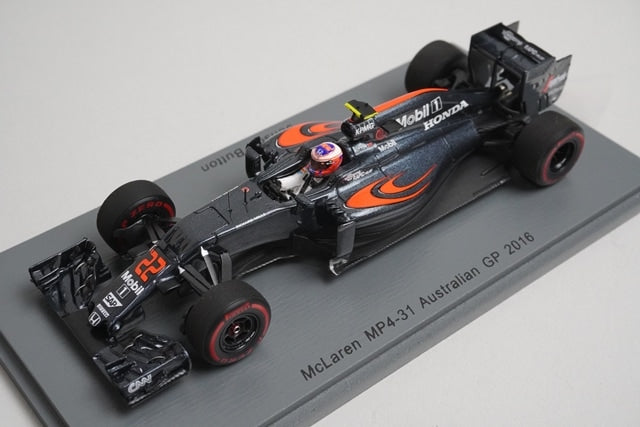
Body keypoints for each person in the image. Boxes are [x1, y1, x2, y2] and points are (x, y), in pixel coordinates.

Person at [278, 141, 343, 195]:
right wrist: (279, 184)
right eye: (313, 161)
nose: (314, 165)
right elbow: (295, 178)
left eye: (319, 164)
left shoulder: (333, 181)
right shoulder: (308, 167)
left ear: (331, 165)